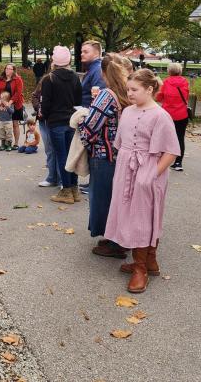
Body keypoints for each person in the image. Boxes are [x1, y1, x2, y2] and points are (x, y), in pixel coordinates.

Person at [105, 69, 181, 294]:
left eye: (134, 90)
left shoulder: (160, 115)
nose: (129, 93)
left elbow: (171, 151)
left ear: (150, 89)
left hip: (149, 170)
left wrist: (151, 174)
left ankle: (141, 268)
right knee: (128, 212)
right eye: (128, 89)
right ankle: (148, 261)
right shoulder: (127, 111)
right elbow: (122, 143)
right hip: (127, 169)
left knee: (144, 215)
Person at [79, 55, 130, 258]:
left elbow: (91, 126)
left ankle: (113, 242)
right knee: (118, 199)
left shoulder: (106, 95)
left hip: (104, 154)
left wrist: (82, 128)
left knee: (103, 199)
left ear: (103, 72)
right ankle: (119, 238)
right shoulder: (127, 92)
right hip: (121, 155)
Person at [41, 46, 82, 204]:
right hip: (71, 121)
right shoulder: (75, 77)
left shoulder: (49, 79)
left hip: (56, 121)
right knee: (72, 155)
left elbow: (46, 104)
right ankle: (74, 188)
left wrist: (44, 115)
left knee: (61, 156)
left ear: (54, 61)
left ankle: (66, 190)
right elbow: (78, 101)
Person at [156, 62, 190, 172]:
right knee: (180, 138)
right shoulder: (185, 82)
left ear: (169, 71)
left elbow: (159, 98)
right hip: (182, 114)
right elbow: (186, 96)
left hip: (168, 115)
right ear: (180, 71)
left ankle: (163, 161)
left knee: (165, 138)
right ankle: (178, 162)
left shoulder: (166, 82)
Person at [32, 73, 58, 187]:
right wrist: (38, 108)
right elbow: (35, 96)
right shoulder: (45, 79)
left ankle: (62, 179)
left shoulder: (61, 82)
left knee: (59, 149)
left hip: (56, 119)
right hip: (43, 120)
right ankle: (52, 177)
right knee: (49, 149)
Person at [0, 63, 25, 149]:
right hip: (3, 105)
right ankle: (4, 143)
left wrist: (10, 103)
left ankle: (16, 143)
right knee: (4, 124)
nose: (7, 70)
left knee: (15, 124)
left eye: (10, 69)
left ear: (13, 70)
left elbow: (18, 93)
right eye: (6, 68)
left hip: (16, 104)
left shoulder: (18, 79)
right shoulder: (0, 79)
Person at [80, 41, 105, 108]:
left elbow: (99, 98)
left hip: (89, 112)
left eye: (86, 52)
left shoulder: (98, 70)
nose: (82, 54)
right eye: (81, 52)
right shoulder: (92, 69)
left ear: (96, 54)